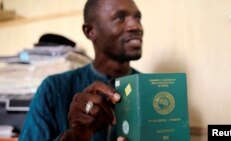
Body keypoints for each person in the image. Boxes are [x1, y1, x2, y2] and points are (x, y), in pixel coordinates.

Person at [19, 0, 143, 140]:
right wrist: (73, 136)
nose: (136, 26)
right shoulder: (53, 89)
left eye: (137, 18)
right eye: (120, 17)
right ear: (90, 32)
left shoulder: (150, 90)